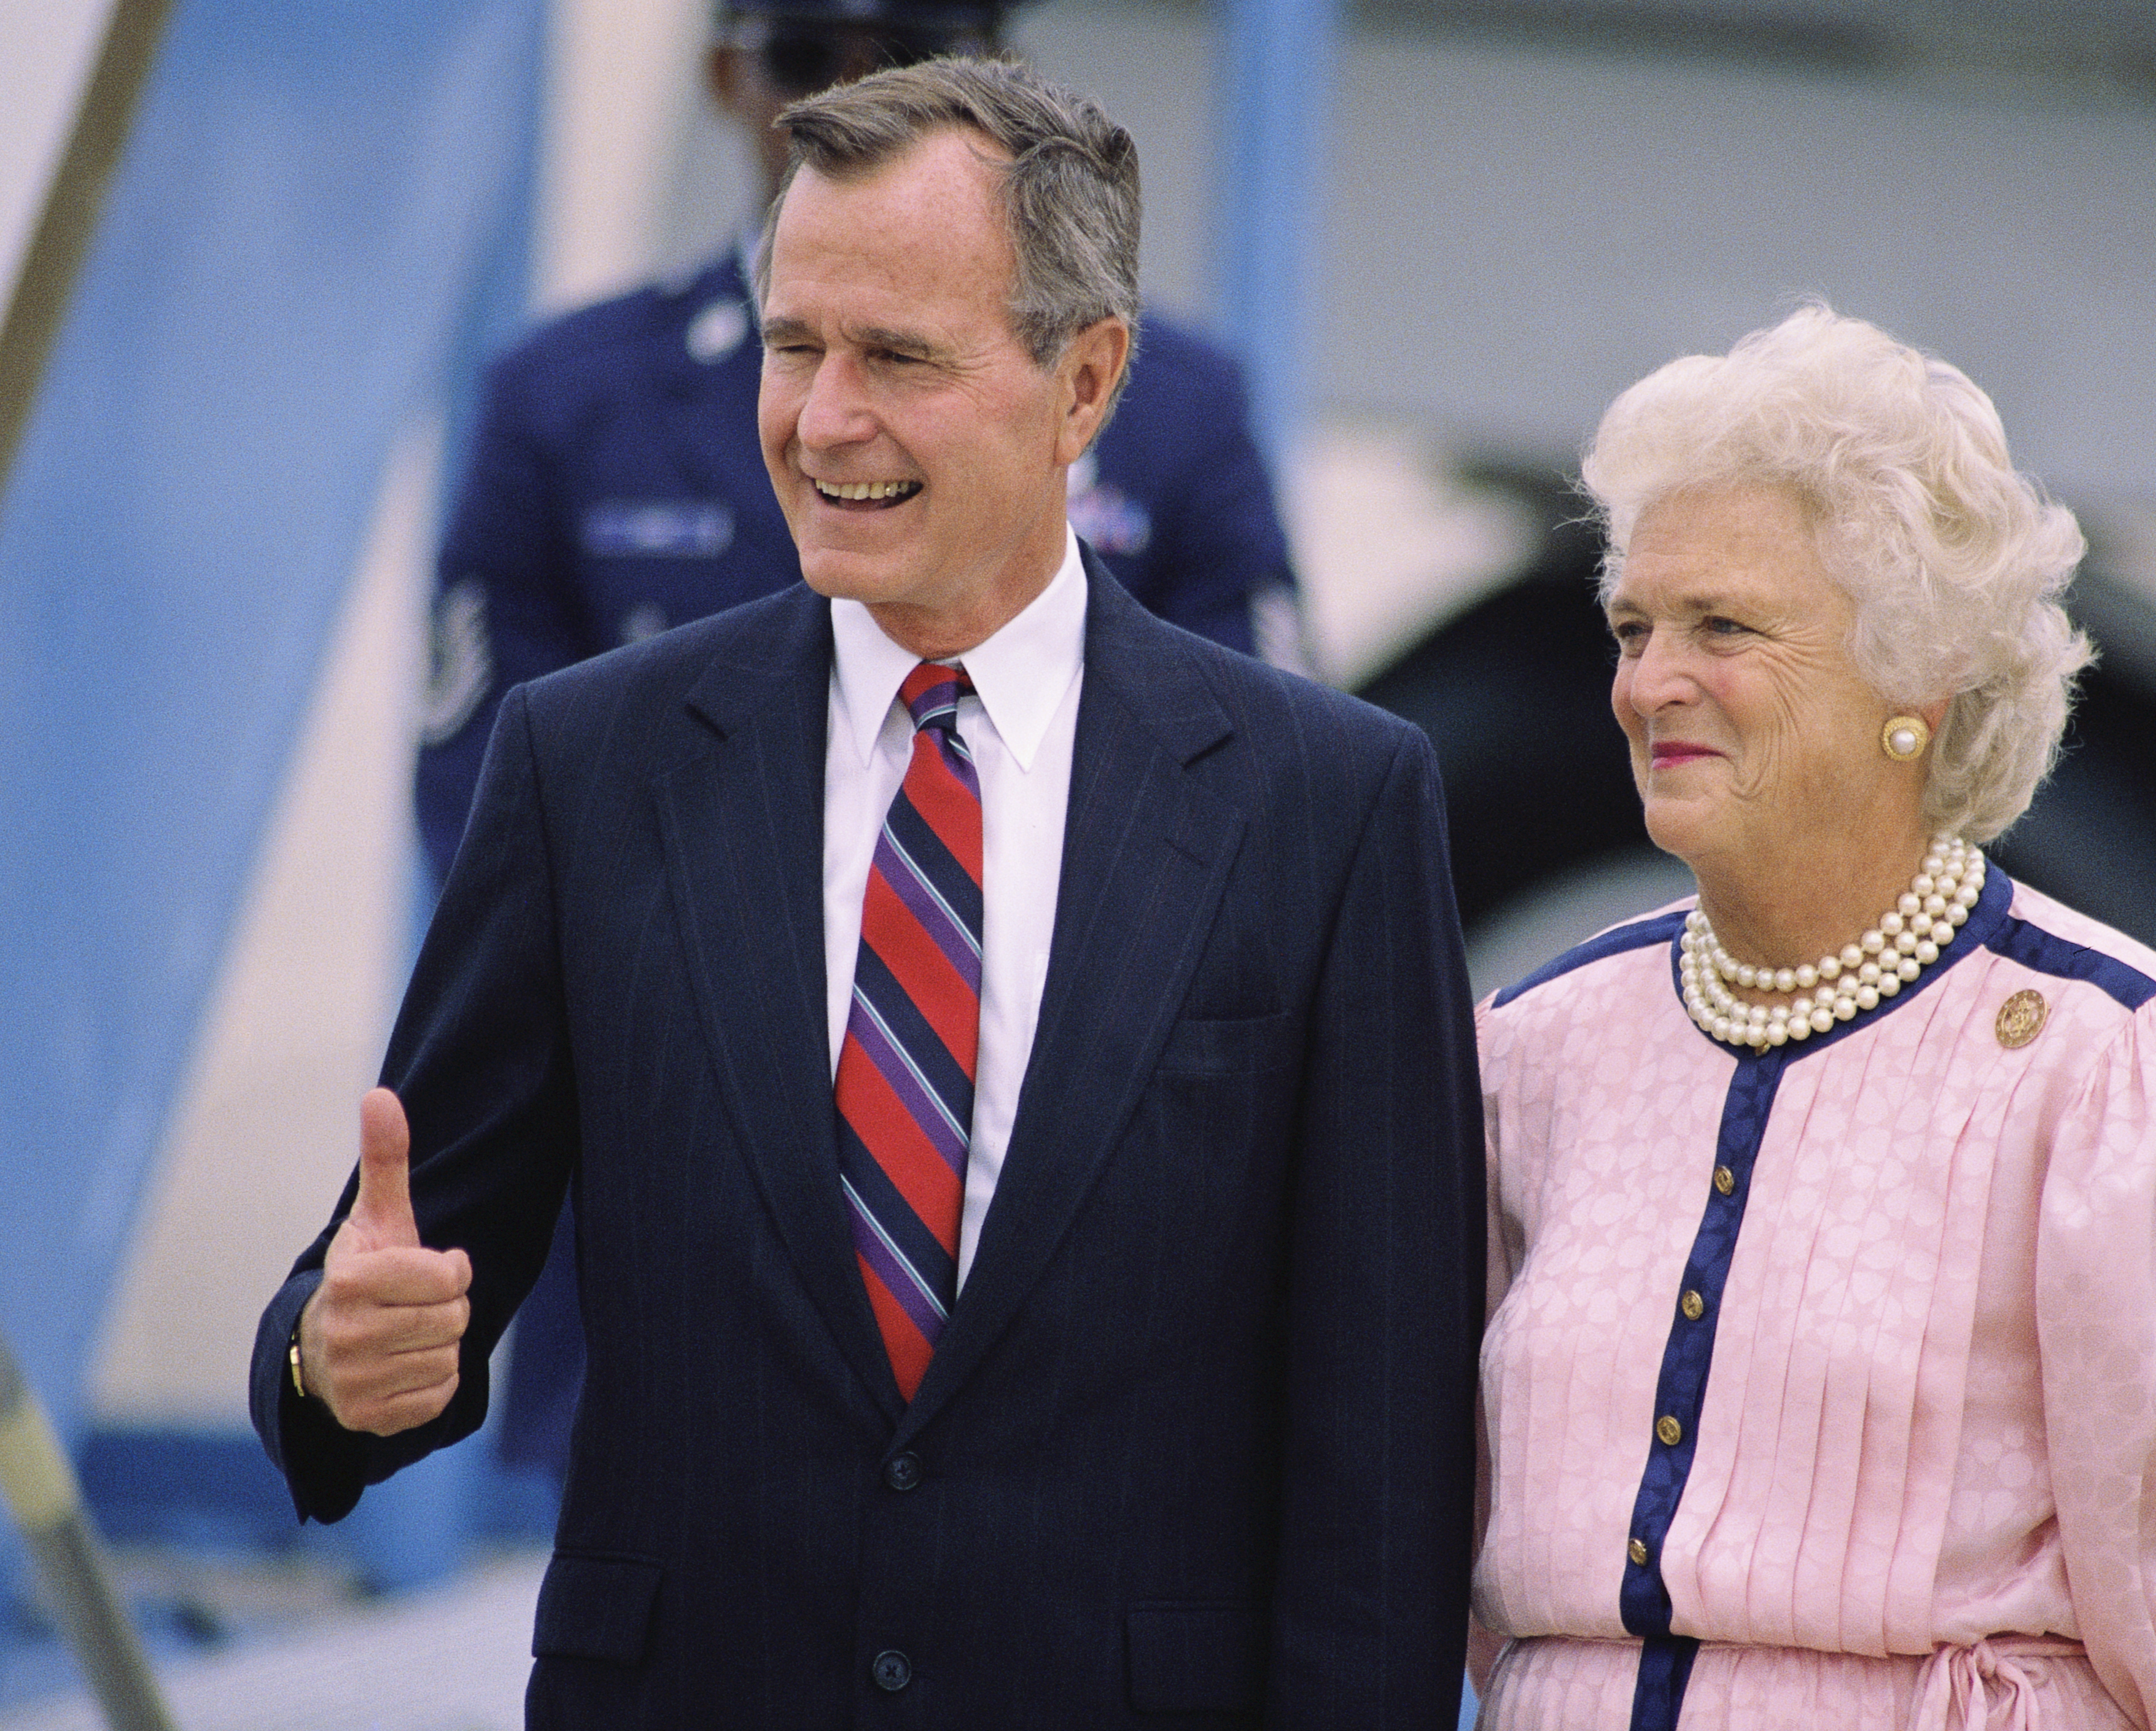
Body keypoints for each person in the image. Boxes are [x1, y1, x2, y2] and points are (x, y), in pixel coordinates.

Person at [252, 58, 1482, 1726]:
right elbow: (400, 1278)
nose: (822, 420)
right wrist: (335, 1360)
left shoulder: (1324, 807)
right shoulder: (591, 768)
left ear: (1085, 383)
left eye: (897, 357)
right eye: (792, 345)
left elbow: (1381, 1458)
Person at [1465, 306, 2156, 1729]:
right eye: (1633, 627)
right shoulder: (1533, 1048)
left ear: (1914, 678)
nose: (1649, 682)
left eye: (1723, 628)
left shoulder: (2119, 1069)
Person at [415, 0, 1301, 873]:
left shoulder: (1174, 405)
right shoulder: (566, 400)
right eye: (802, 53)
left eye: (909, 50)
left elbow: (1253, 783)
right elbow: (493, 815)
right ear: (725, 74)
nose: (853, 89)